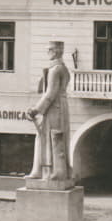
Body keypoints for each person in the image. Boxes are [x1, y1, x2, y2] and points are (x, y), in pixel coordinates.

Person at [26, 40, 72, 182]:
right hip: (59, 107)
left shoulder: (55, 69)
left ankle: (49, 172)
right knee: (50, 138)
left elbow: (51, 93)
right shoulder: (62, 68)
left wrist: (35, 110)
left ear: (56, 51)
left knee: (48, 138)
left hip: (54, 108)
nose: (47, 53)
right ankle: (42, 171)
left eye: (49, 50)